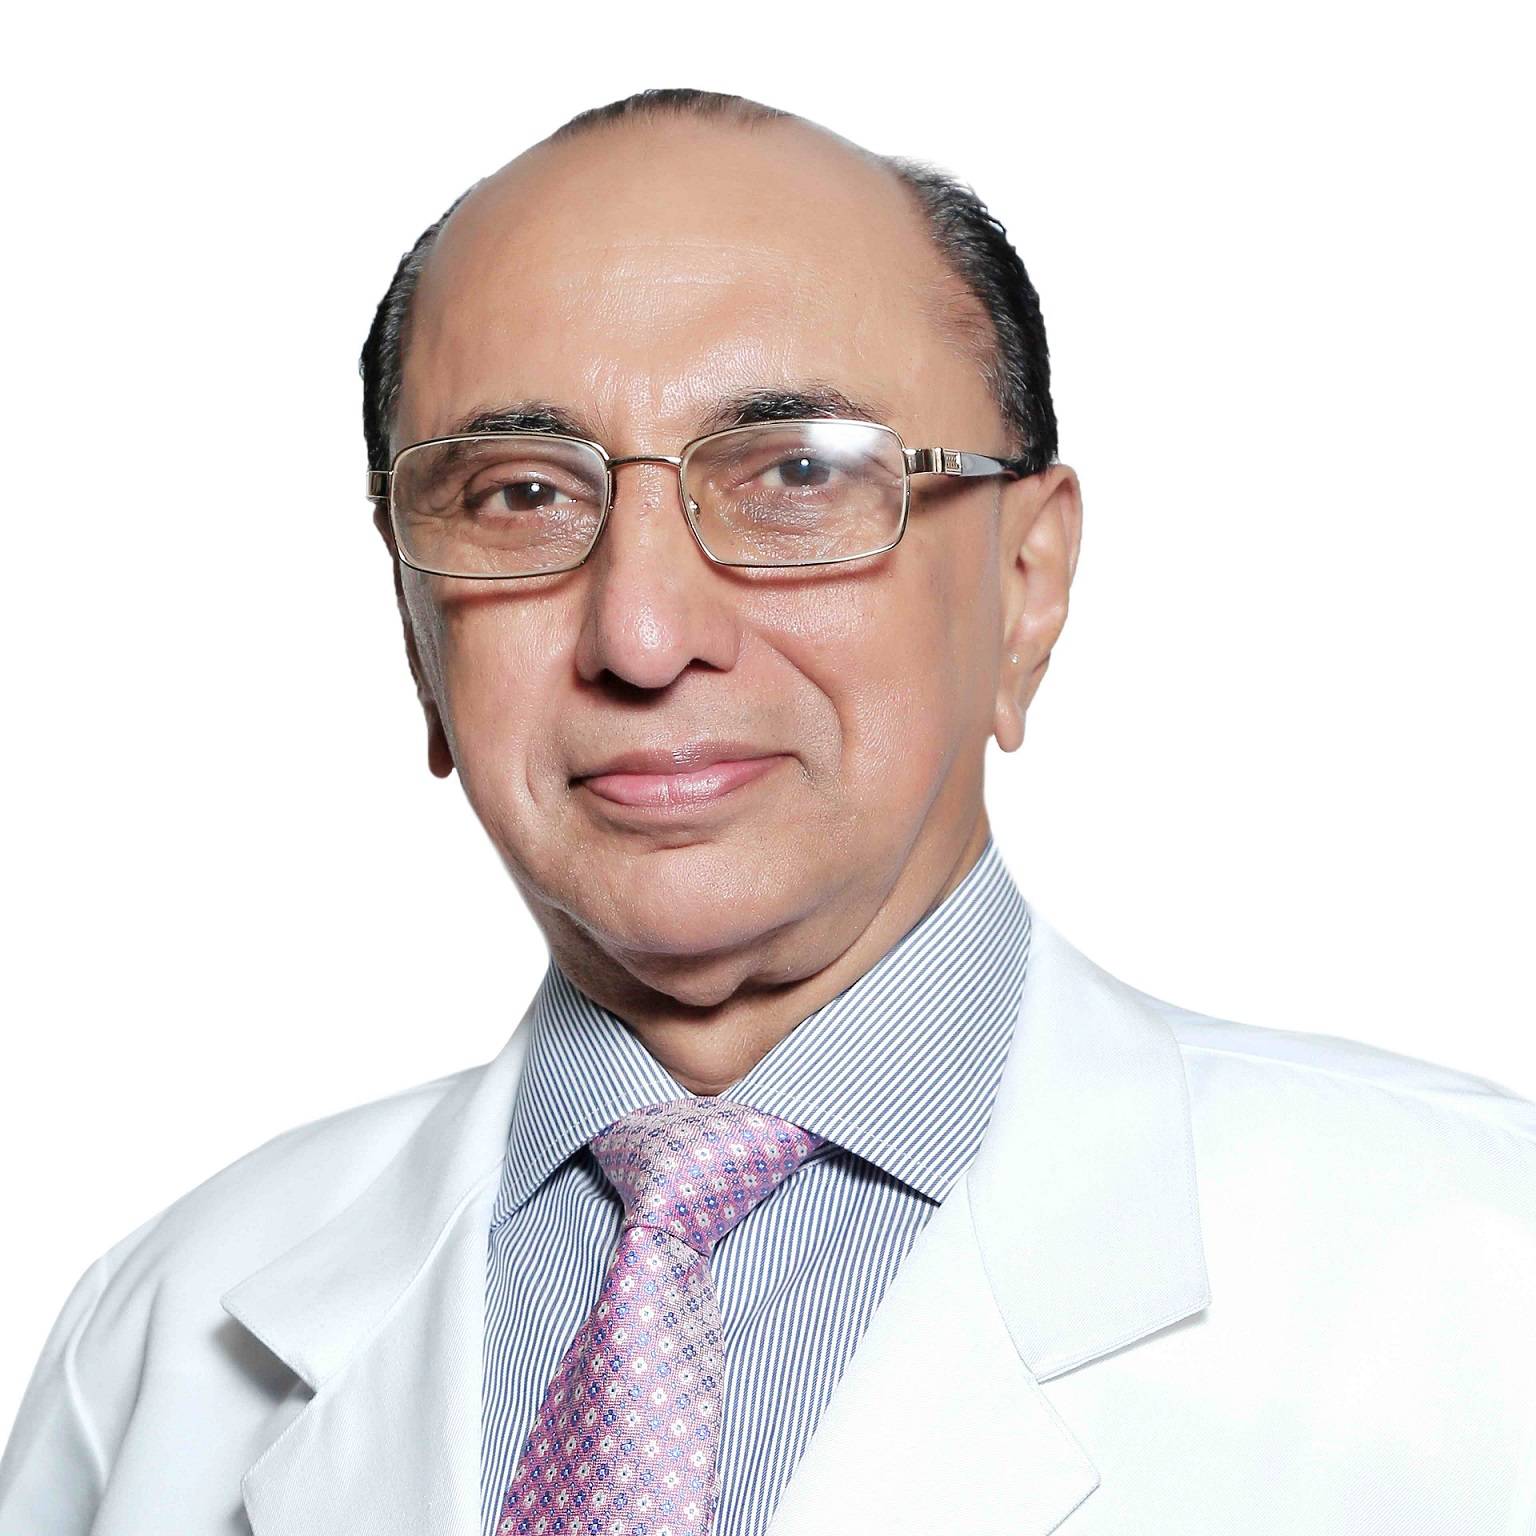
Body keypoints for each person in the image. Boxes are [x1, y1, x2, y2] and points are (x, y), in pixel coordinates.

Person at [2, 85, 1533, 1536]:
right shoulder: (160, 1338)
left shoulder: (1478, 1270)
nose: (643, 634)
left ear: (1024, 584)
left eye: (797, 472)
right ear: (416, 630)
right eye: (521, 493)